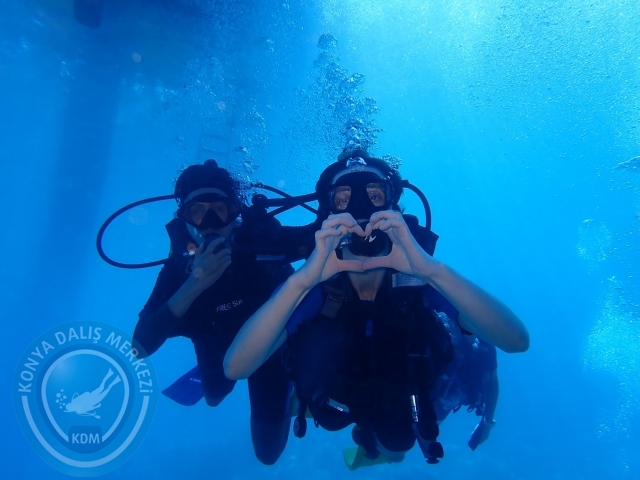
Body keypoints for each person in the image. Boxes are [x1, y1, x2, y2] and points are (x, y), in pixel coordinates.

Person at [224, 150, 529, 465]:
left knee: (398, 447)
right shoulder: (318, 285)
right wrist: (301, 281)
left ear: (392, 207)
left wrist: (431, 270)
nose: (360, 208)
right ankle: (353, 428)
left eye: (374, 195)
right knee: (331, 420)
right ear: (329, 214)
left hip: (397, 397)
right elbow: (236, 367)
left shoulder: (417, 278)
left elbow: (516, 340)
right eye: (343, 198)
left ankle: (370, 441)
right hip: (334, 397)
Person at [133, 159, 293, 465]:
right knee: (214, 397)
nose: (210, 222)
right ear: (185, 220)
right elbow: (139, 347)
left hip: (269, 353)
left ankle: (292, 389)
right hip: (213, 347)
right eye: (197, 211)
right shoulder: (178, 272)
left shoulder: (261, 252)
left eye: (220, 209)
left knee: (268, 455)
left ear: (236, 214)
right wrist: (195, 284)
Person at [432, 316, 500, 450]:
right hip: (425, 391)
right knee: (400, 444)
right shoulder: (438, 327)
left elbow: (492, 383)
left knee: (408, 442)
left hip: (445, 398)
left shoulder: (484, 347)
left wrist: (486, 423)